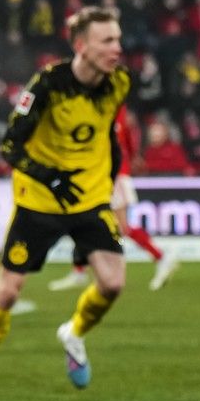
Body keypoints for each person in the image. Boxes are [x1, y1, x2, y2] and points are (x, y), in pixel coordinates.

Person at [0, 7, 131, 399]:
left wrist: (109, 181)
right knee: (7, 293)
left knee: (113, 283)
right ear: (81, 45)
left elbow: (108, 132)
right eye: (107, 41)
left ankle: (73, 333)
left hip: (88, 200)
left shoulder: (119, 82)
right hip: (39, 201)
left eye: (118, 40)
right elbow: (9, 146)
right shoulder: (48, 84)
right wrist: (49, 176)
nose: (117, 49)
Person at [47, 107, 180, 293]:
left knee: (118, 226)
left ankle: (161, 257)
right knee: (83, 221)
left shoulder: (107, 108)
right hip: (102, 175)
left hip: (112, 176)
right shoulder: (113, 109)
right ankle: (79, 271)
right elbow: (126, 140)